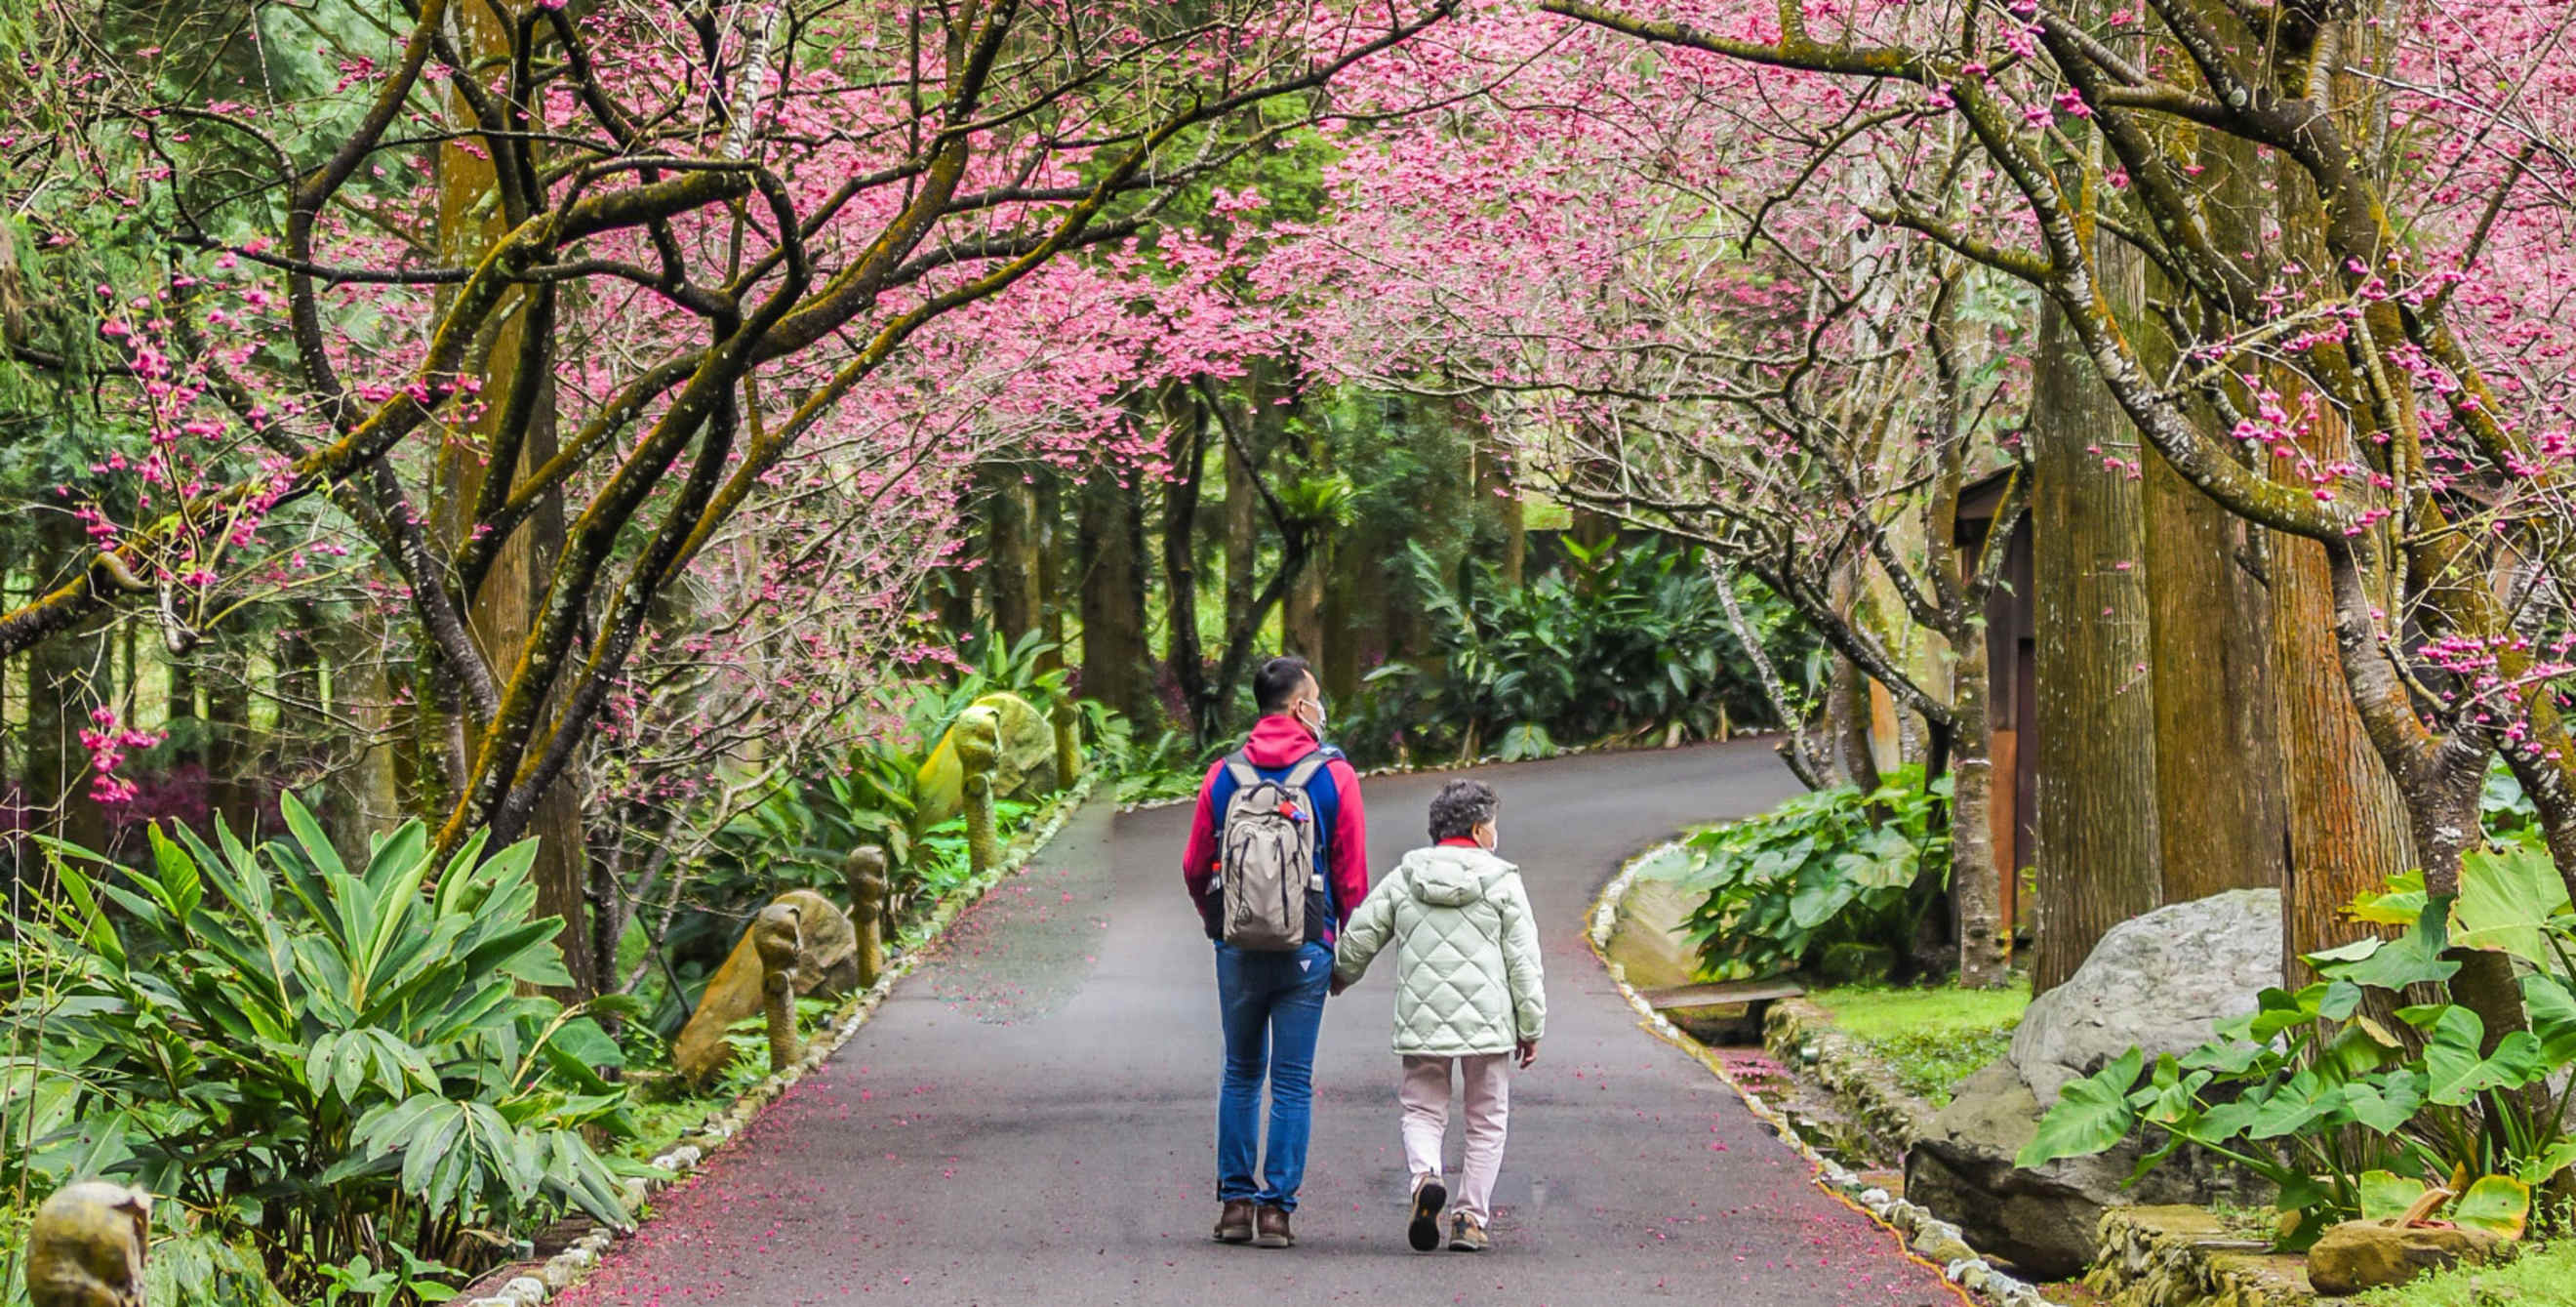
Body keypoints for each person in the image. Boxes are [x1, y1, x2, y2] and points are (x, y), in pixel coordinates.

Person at [1182, 655, 1370, 1249]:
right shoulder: (1334, 775)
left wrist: (1223, 926)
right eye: (1315, 697)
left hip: (1236, 946)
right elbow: (1352, 876)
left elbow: (1194, 867)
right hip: (1306, 948)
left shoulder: (1223, 774)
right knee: (1291, 1082)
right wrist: (1335, 945)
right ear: (1297, 706)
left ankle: (1235, 1205)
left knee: (1240, 1072)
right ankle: (1277, 1213)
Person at [1330, 778, 1544, 1253]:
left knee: (1423, 1108)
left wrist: (1341, 975)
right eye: (1491, 824)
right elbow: (1524, 961)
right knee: (1487, 1117)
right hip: (1487, 1025)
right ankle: (1469, 1217)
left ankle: (1425, 1176)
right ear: (1476, 828)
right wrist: (1531, 1028)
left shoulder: (1407, 876)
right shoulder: (1503, 880)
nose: (1495, 833)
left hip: (1423, 1021)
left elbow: (1364, 931)